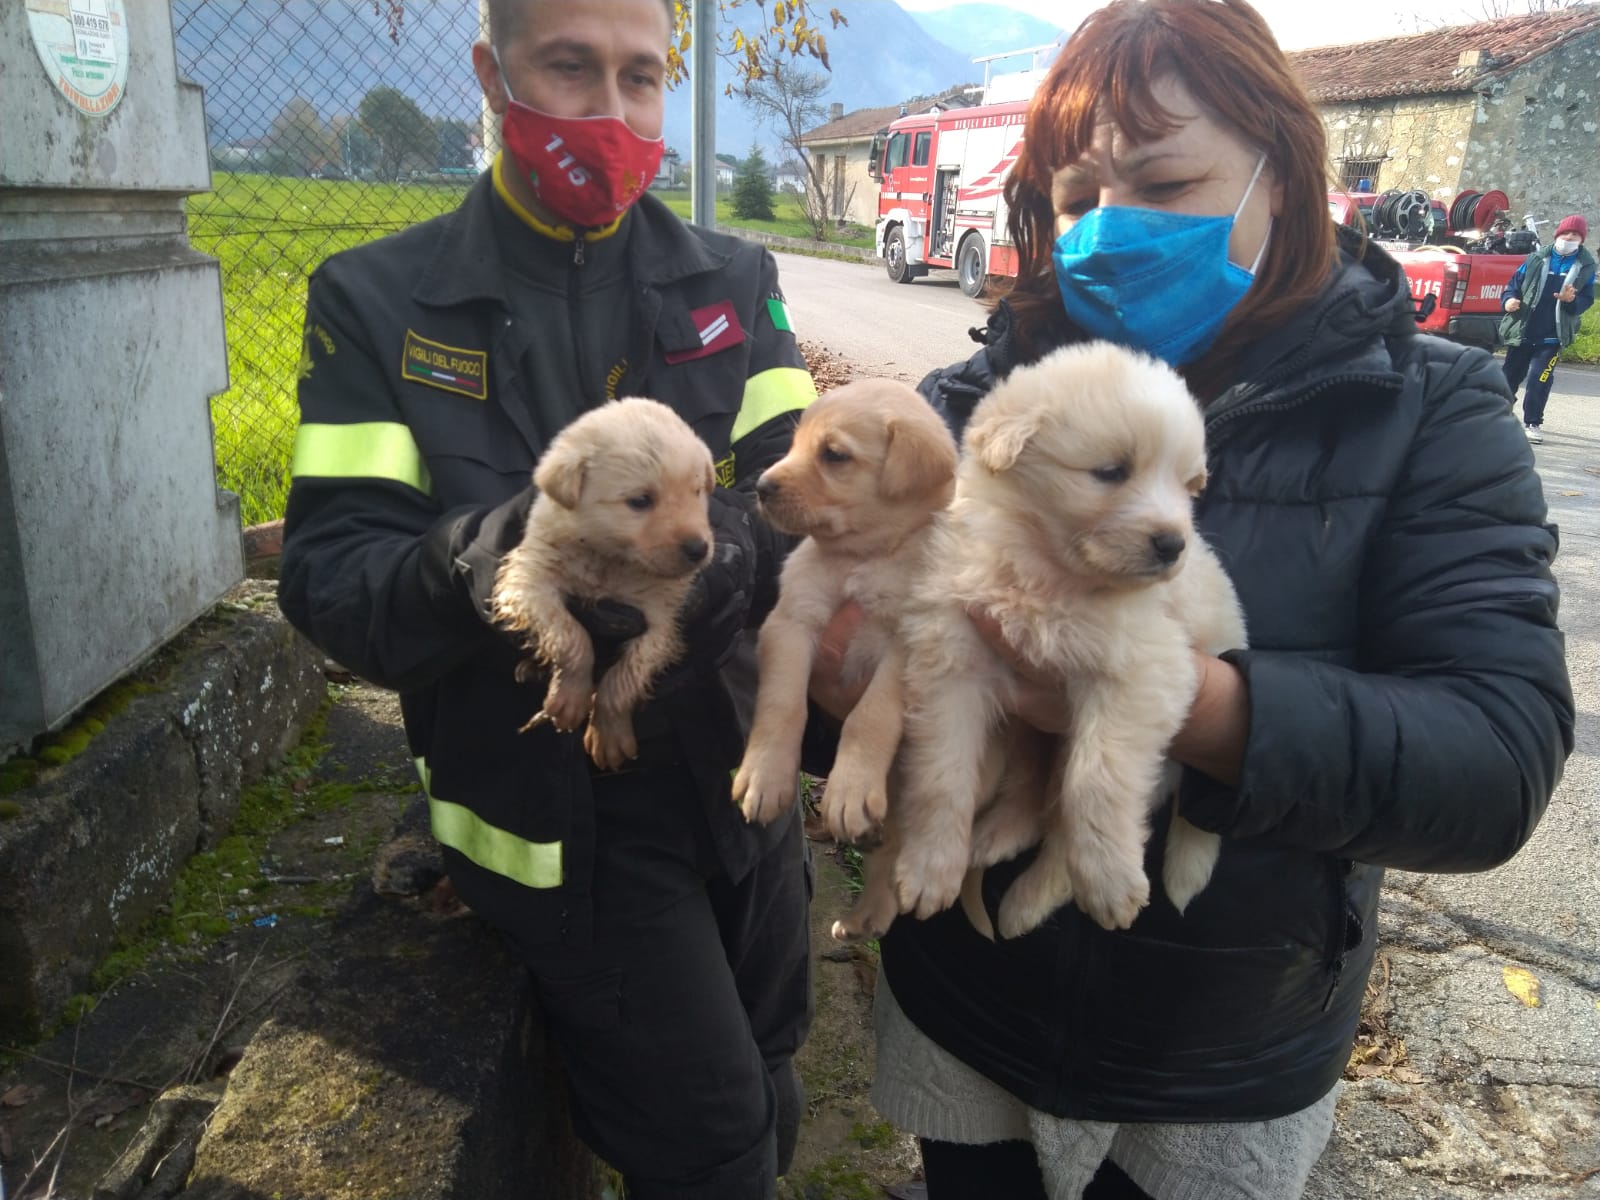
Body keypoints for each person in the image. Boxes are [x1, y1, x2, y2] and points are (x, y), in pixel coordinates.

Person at [805, 2, 1574, 1197]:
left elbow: (1493, 762)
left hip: (1217, 1066)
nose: (1113, 229)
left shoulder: (1431, 412)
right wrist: (842, 682)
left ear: (1286, 174)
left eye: (1165, 182)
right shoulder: (979, 407)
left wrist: (1179, 706)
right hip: (971, 1009)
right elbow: (861, 698)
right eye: (1074, 203)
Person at [277, 1, 824, 1195]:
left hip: (739, 786)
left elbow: (807, 515)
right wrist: (474, 564)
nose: (612, 112)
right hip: (554, 820)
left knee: (775, 1068)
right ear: (490, 72)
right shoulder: (381, 300)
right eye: (568, 68)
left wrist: (715, 558)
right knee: (712, 1147)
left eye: (642, 75)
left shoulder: (731, 279)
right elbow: (331, 577)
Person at [1499, 213, 1596, 443]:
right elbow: (1513, 286)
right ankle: (1498, 415)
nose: (1569, 237)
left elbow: (1587, 299)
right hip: (1523, 330)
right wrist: (1509, 301)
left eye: (1575, 234)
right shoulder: (1535, 259)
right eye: (1565, 233)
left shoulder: (1585, 267)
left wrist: (1572, 301)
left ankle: (1532, 423)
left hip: (1552, 337)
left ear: (1582, 239)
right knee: (1508, 377)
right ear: (1557, 234)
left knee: (1538, 379)